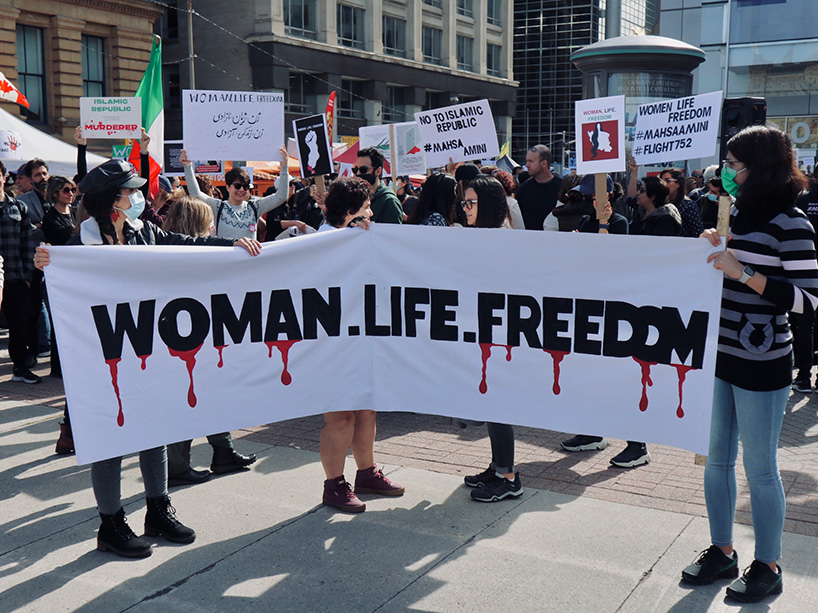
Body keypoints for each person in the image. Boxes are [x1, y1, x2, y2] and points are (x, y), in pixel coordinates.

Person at [34, 159, 262, 558]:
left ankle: (158, 509)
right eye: (130, 191)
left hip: (145, 348)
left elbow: (188, 246)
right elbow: (57, 297)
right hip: (103, 356)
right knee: (110, 439)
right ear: (112, 199)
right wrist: (46, 266)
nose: (137, 197)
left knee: (153, 427)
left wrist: (232, 245)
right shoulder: (78, 244)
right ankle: (111, 524)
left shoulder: (145, 232)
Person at [681, 126, 818, 603]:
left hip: (763, 359)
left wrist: (744, 272)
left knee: (760, 468)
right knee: (715, 460)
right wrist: (710, 252)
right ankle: (723, 549)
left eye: (735, 165)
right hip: (718, 353)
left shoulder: (792, 222)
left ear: (759, 167)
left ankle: (769, 562)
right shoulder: (733, 213)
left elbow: (808, 302)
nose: (727, 174)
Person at [317, 176, 405, 513]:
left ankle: (367, 473)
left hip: (362, 340)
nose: (372, 215)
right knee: (341, 416)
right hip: (332, 345)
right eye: (367, 209)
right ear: (352, 213)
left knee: (366, 407)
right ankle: (333, 485)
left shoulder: (361, 239)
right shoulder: (321, 243)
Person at [161, 196, 260, 485]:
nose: (214, 226)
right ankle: (177, 465)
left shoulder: (190, 252)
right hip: (187, 340)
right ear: (197, 225)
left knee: (212, 393)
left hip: (202, 335)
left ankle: (223, 451)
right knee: (189, 396)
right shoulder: (180, 254)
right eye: (209, 221)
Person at [460, 176, 524, 503]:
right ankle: (499, 465)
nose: (466, 208)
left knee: (497, 402)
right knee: (490, 400)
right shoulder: (482, 236)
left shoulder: (500, 238)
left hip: (498, 334)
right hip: (485, 330)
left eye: (471, 203)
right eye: (464, 203)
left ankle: (508, 476)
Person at [180, 146, 289, 240]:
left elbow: (281, 196)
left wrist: (284, 167)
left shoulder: (255, 206)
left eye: (245, 187)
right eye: (237, 186)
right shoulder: (219, 207)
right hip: (226, 261)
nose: (242, 190)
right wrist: (187, 166)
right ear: (227, 187)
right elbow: (196, 194)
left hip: (250, 262)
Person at [0, 160, 39, 384]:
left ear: (4, 177)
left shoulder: (18, 208)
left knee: (19, 324)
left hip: (15, 275)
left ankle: (20, 367)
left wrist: (27, 275)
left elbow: (27, 244)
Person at [516, 144, 561, 230]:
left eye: (531, 161)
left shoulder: (562, 187)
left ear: (544, 163)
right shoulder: (523, 189)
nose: (527, 165)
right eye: (526, 161)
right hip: (529, 241)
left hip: (556, 240)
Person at [353, 147, 403, 224]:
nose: (358, 173)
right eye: (356, 170)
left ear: (378, 171)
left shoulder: (389, 201)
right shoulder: (356, 197)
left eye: (363, 170)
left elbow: (393, 233)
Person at [659, 167, 703, 238]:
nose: (663, 184)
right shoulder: (658, 203)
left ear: (678, 184)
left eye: (667, 181)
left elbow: (697, 233)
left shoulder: (689, 206)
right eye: (661, 181)